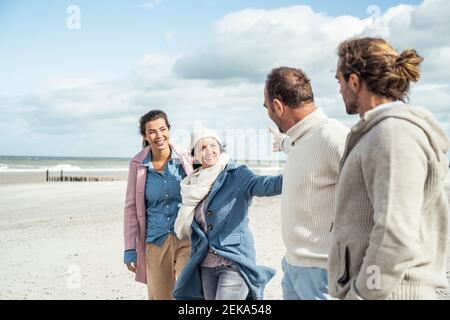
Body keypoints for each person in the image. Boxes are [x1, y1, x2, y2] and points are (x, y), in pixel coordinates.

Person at [329, 37, 450, 300]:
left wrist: (361, 294)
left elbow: (396, 234)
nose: (339, 90)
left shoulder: (393, 135)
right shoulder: (378, 133)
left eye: (339, 80)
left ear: (354, 81)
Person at [264, 67, 349, 299]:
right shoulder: (298, 140)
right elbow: (296, 147)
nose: (268, 114)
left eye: (267, 108)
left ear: (278, 106)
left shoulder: (333, 136)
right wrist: (281, 142)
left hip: (323, 271)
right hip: (292, 266)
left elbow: (370, 197)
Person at [172, 128, 282, 300]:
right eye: (202, 148)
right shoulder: (193, 184)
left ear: (221, 148)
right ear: (195, 155)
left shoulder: (237, 175)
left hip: (234, 260)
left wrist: (294, 176)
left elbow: (265, 184)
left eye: (213, 145)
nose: (209, 151)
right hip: (205, 263)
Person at [123, 110, 193, 300]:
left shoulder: (186, 158)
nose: (159, 136)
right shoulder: (137, 164)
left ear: (169, 130)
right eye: (152, 131)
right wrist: (130, 249)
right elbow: (130, 209)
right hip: (156, 241)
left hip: (186, 238)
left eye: (163, 129)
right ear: (145, 136)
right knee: (161, 296)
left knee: (190, 292)